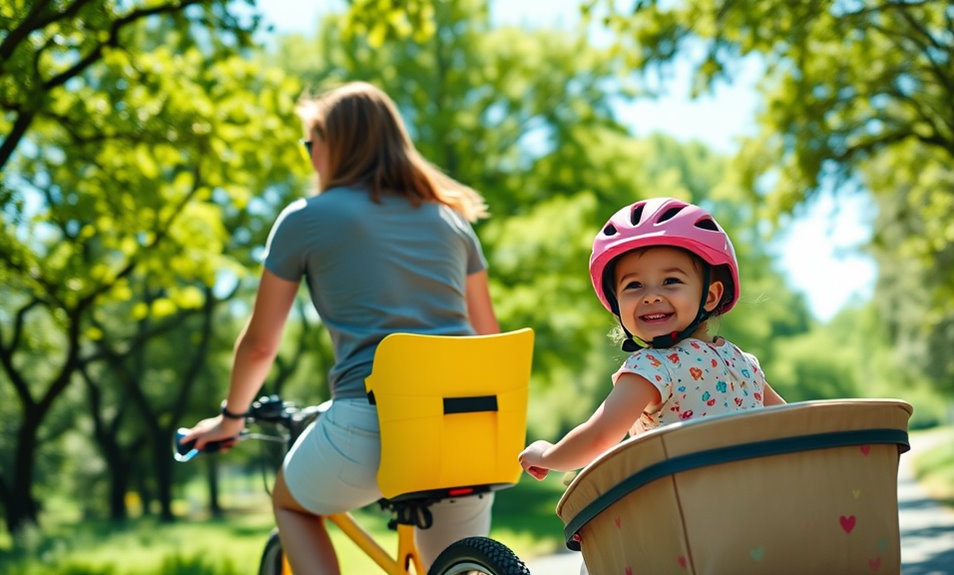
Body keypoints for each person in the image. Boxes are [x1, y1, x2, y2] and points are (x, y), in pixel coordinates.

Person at [179, 81, 500, 574]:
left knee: (291, 502)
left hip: (371, 422)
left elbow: (262, 344)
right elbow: (488, 341)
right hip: (469, 427)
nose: (309, 158)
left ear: (335, 144)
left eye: (310, 144)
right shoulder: (453, 221)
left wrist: (232, 418)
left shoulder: (306, 219)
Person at [519, 197, 785, 479]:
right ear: (616, 301)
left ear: (709, 296)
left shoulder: (652, 368)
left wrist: (547, 454)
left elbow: (599, 437)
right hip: (754, 504)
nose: (652, 296)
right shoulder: (745, 364)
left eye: (671, 281)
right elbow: (791, 424)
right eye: (634, 285)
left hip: (680, 512)